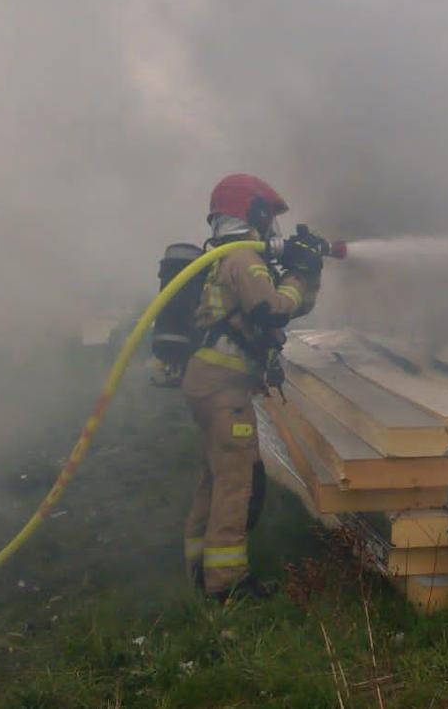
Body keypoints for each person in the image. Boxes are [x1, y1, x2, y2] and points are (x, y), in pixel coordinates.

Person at [181, 173, 322, 600]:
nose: (271, 227)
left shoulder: (226, 256)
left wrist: (306, 274)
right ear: (252, 212)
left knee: (215, 477)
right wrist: (299, 274)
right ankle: (227, 586)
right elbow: (273, 310)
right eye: (268, 216)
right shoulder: (245, 258)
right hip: (224, 391)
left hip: (207, 385)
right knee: (236, 483)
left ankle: (198, 570)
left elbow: (282, 306)